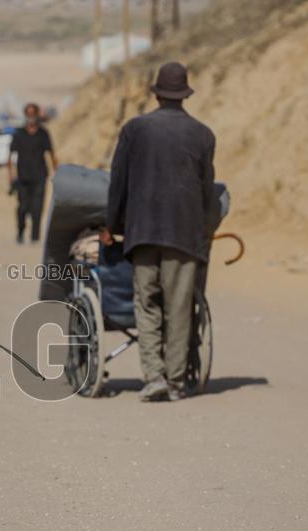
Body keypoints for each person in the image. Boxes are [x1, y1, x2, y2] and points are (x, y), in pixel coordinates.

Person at [104, 61, 216, 402]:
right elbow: (206, 190)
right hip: (184, 234)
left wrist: (112, 225)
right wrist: (205, 231)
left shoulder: (135, 129)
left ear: (157, 94)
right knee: (179, 308)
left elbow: (118, 182)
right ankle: (178, 381)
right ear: (184, 94)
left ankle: (154, 377)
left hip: (142, 230)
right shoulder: (203, 134)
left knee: (146, 303)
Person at [7, 102, 57, 244]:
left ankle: (35, 236)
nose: (31, 117)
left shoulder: (43, 133)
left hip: (40, 175)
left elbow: (51, 153)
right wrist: (10, 174)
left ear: (36, 115)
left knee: (37, 208)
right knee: (23, 208)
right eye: (28, 114)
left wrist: (56, 171)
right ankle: (20, 231)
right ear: (25, 115)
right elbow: (11, 156)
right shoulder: (19, 134)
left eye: (33, 114)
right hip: (22, 177)